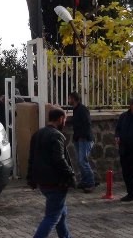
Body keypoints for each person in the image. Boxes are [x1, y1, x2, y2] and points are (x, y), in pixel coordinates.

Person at [27, 108, 75, 238]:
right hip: (56, 183)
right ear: (60, 119)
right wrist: (70, 174)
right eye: (64, 119)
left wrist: (30, 178)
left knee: (61, 212)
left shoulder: (37, 134)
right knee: (52, 217)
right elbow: (59, 159)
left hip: (43, 182)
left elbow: (31, 158)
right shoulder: (57, 135)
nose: (65, 122)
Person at [68, 92, 95, 192]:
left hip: (85, 139)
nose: (68, 100)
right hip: (79, 138)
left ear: (74, 99)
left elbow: (87, 124)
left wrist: (82, 136)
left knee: (82, 161)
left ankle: (90, 182)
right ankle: (85, 181)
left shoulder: (82, 109)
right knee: (80, 162)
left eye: (69, 98)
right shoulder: (76, 109)